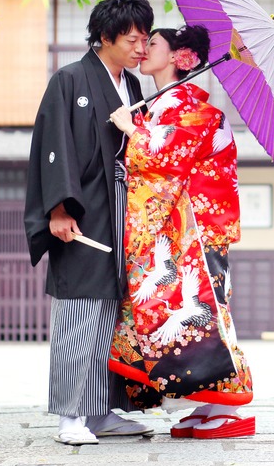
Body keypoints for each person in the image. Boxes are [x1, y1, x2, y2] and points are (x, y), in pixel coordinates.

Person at [108, 25, 255, 439]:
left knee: (208, 313)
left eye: (151, 43)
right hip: (178, 229)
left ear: (178, 57)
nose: (142, 49)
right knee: (179, 314)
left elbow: (170, 155)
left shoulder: (195, 107)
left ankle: (232, 406)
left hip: (198, 227)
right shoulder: (163, 105)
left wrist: (133, 129)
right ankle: (208, 402)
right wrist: (139, 123)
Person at [24, 0, 155, 445]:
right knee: (79, 309)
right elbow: (52, 145)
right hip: (82, 212)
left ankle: (99, 411)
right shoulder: (71, 79)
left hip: (120, 211)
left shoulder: (133, 87)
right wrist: (58, 208)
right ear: (105, 35)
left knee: (111, 312)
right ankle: (69, 415)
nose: (142, 49)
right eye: (134, 40)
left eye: (146, 40)